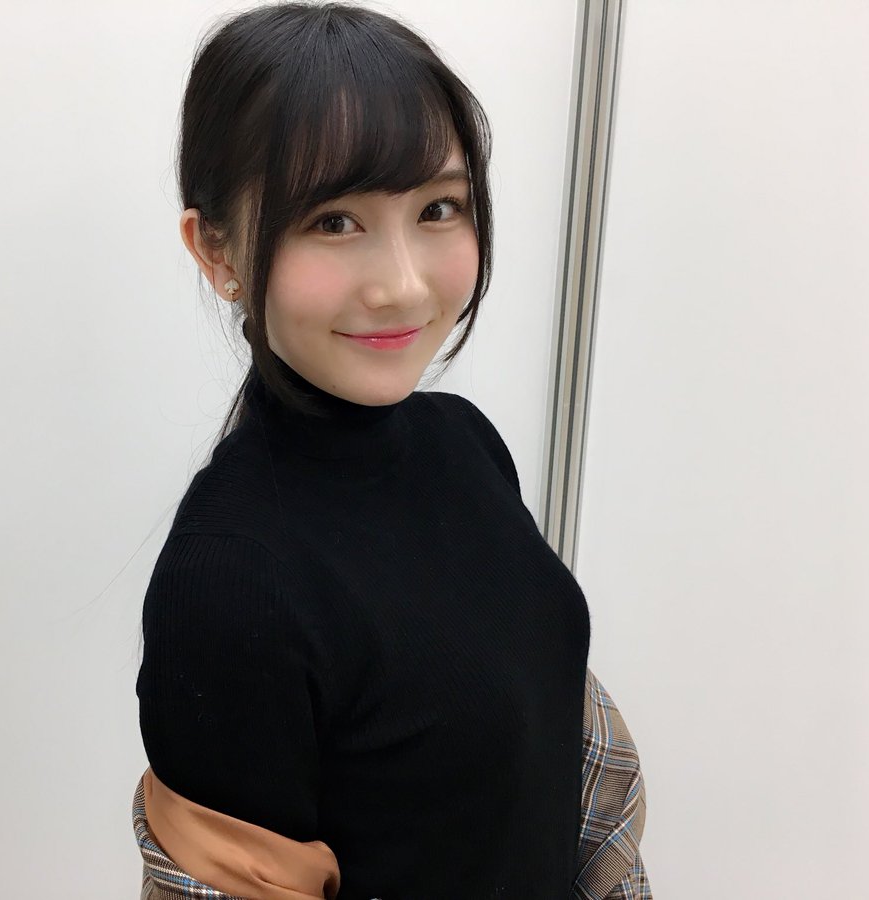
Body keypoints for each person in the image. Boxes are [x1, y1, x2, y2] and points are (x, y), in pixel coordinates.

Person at [134, 3, 647, 898]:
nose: (404, 285)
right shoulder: (228, 580)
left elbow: (557, 759)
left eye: (438, 208)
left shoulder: (464, 444)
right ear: (216, 250)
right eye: (334, 221)